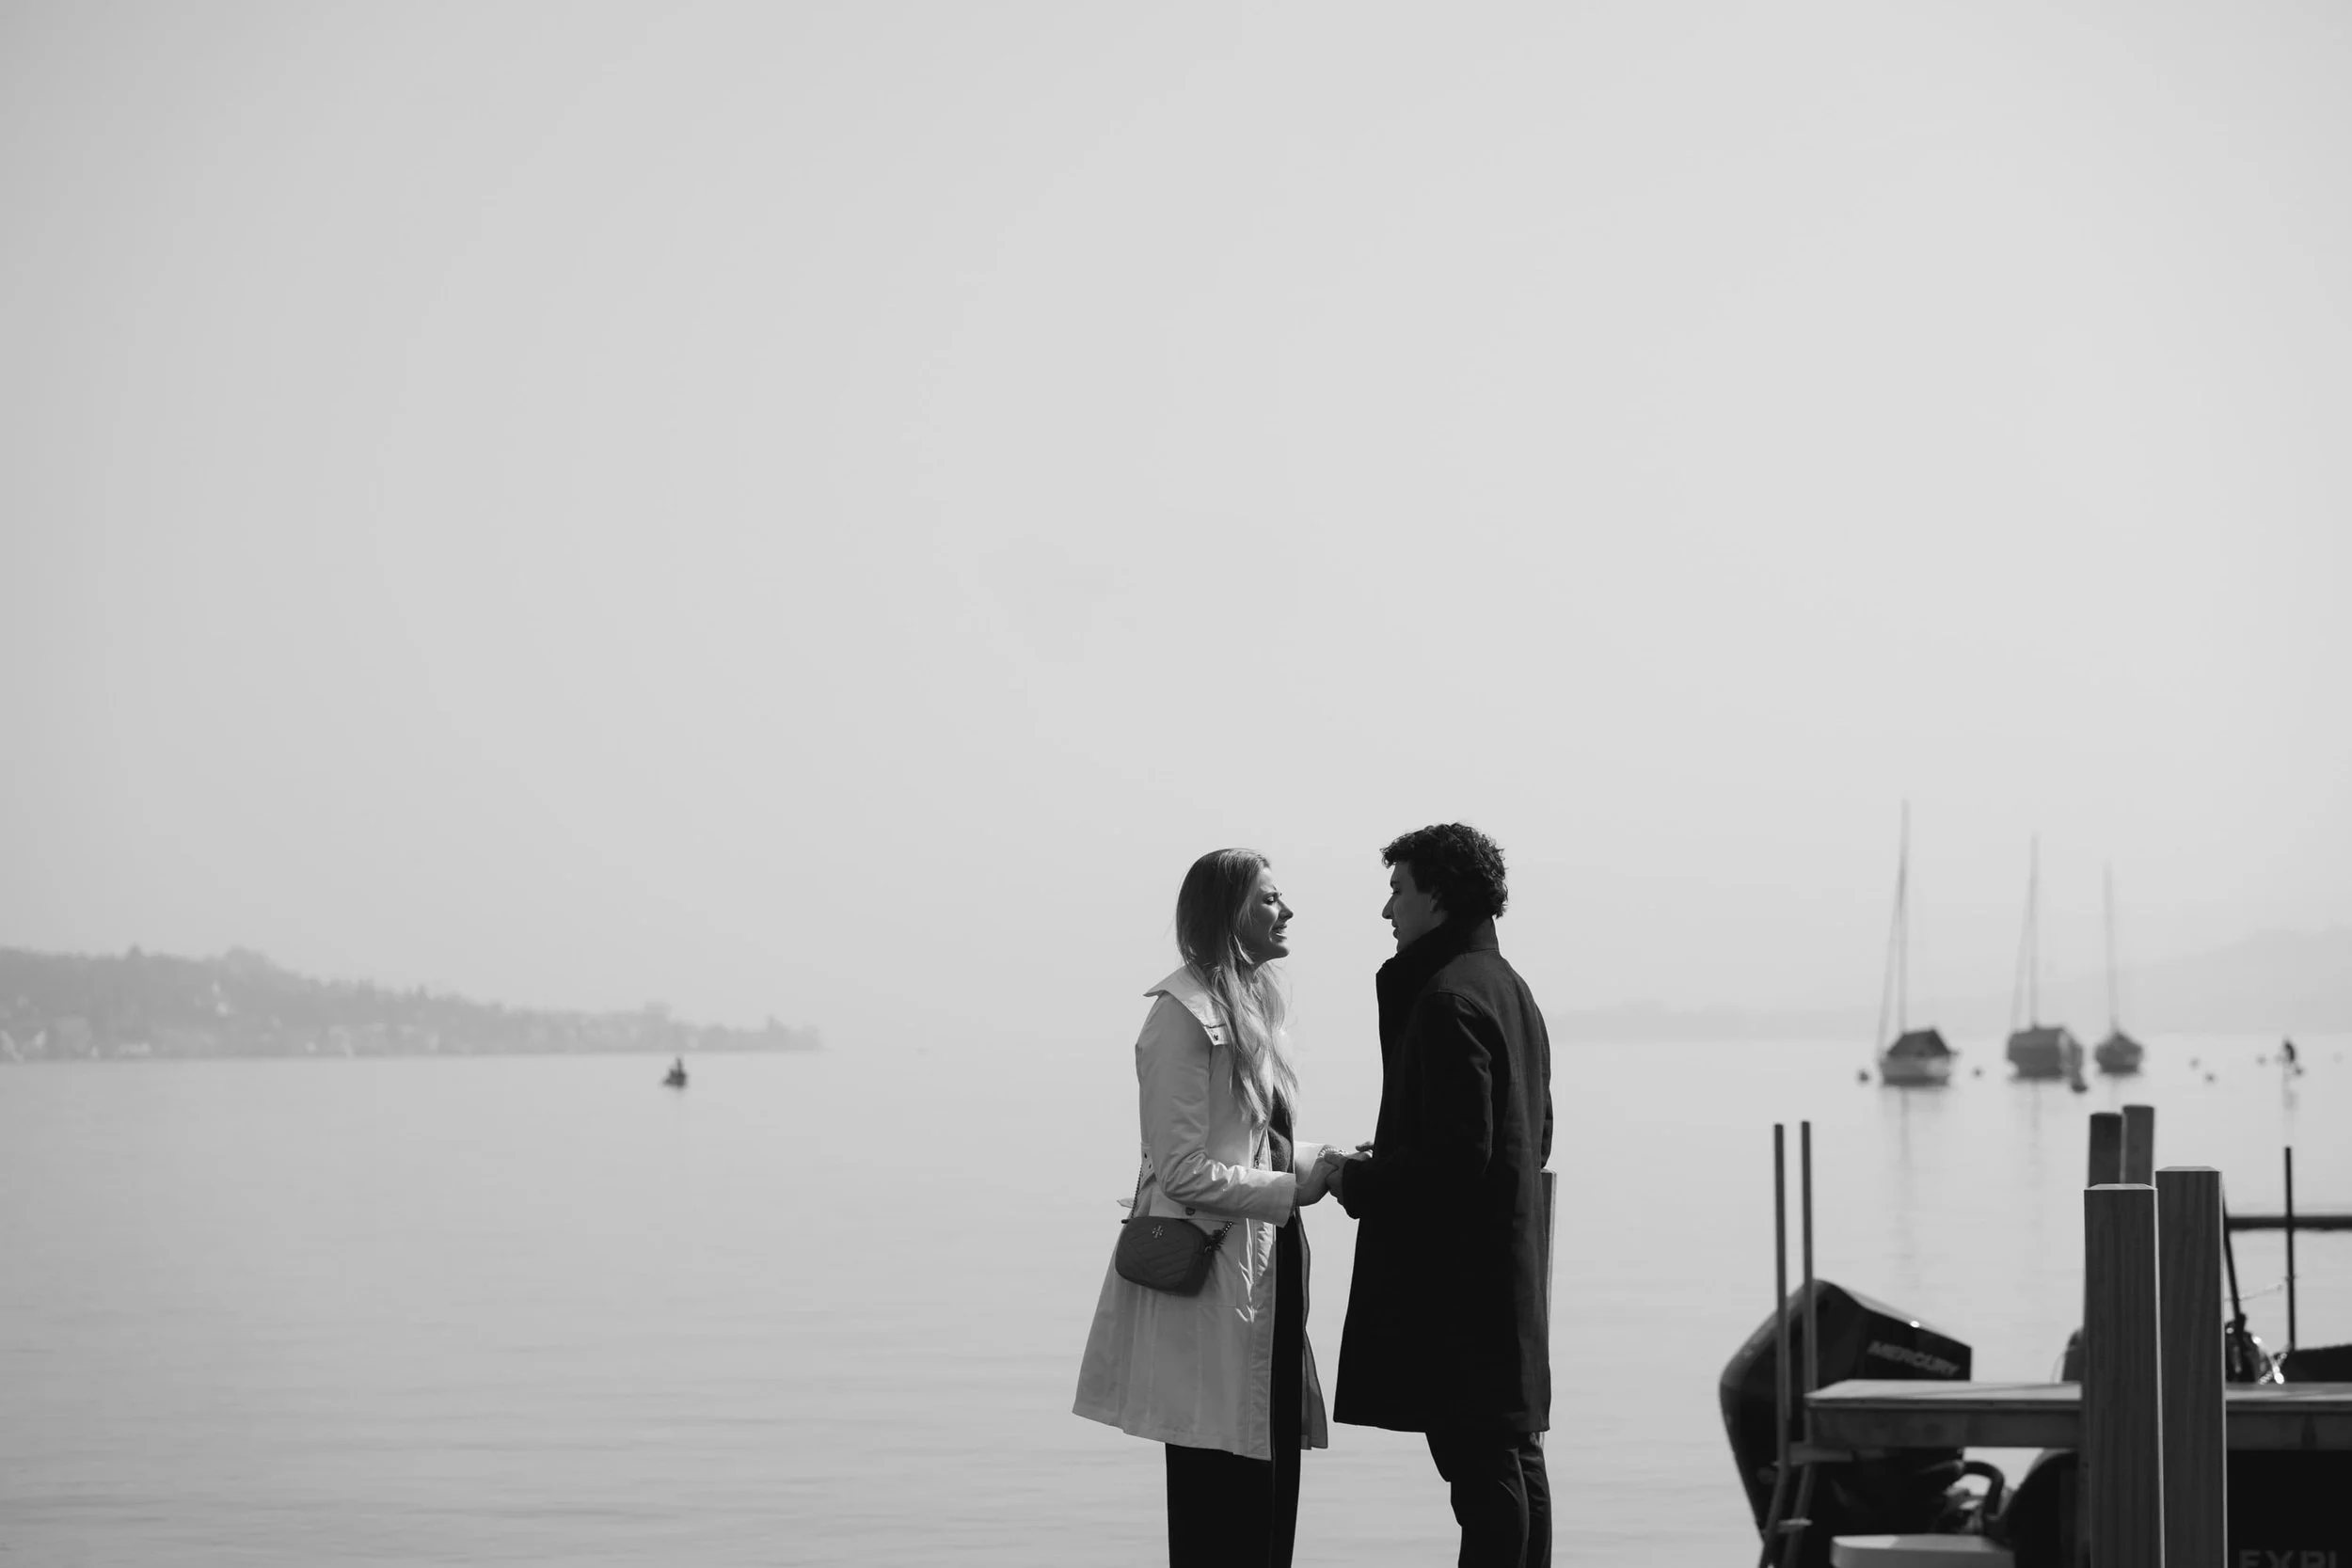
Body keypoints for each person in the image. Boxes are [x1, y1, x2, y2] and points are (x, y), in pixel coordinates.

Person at [1073, 848, 1342, 1568]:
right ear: (1228, 913)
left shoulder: (1251, 1008)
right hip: (1214, 1285)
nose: (1286, 912)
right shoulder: (1180, 1018)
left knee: (1265, 1479)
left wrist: (1328, 1161)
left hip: (1261, 1274)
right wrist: (1291, 1190)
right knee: (1219, 1494)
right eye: (1269, 900)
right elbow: (1183, 1167)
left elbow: (1257, 1146)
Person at [1327, 823, 1554, 1568]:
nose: (1387, 910)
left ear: (1438, 896)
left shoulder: (1447, 998)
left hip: (1458, 1282)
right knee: (1514, 1457)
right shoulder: (1508, 988)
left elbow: (1459, 1155)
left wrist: (1357, 1179)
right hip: (1506, 1267)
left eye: (1398, 889)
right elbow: (1532, 1134)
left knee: (1482, 1471)